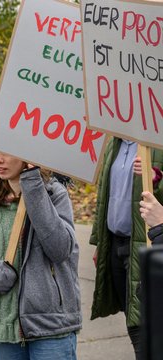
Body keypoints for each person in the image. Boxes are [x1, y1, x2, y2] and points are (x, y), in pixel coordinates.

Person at [0, 151, 81, 360]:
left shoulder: (54, 193)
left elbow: (60, 249)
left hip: (50, 325)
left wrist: (33, 187)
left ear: (26, 153)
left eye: (6, 153)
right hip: (4, 325)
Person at [90, 137, 163, 358]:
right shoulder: (114, 141)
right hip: (115, 244)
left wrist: (156, 179)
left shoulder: (156, 139)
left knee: (142, 323)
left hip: (144, 245)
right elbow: (104, 194)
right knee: (132, 318)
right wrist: (99, 243)